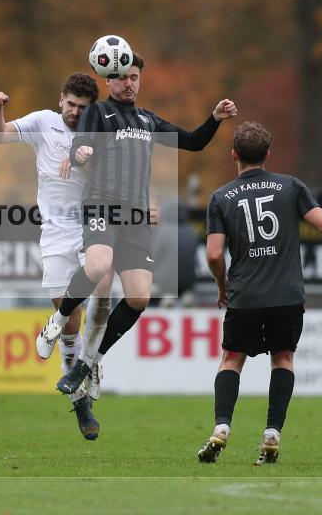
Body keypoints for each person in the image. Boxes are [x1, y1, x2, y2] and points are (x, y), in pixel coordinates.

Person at [40, 53, 237, 401]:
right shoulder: (97, 112)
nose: (128, 83)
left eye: (134, 77)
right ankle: (59, 318)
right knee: (98, 266)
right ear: (108, 79)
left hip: (135, 218)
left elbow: (192, 141)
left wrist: (215, 118)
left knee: (139, 296)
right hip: (101, 204)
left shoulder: (148, 120)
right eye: (122, 77)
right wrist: (81, 153)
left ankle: (90, 361)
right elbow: (80, 143)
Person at [196, 122, 322, 465]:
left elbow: (214, 254)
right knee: (283, 359)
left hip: (245, 295)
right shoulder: (290, 186)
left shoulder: (220, 197)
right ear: (267, 155)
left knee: (232, 359)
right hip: (287, 295)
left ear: (234, 154)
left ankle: (221, 427)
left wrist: (222, 285)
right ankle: (272, 434)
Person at [0, 72, 114, 441]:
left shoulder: (100, 134)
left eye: (82, 107)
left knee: (103, 288)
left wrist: (83, 160)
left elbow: (113, 178)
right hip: (56, 233)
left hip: (94, 226)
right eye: (71, 104)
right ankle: (79, 398)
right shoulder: (43, 122)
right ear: (61, 99)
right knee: (71, 320)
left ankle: (91, 364)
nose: (75, 112)